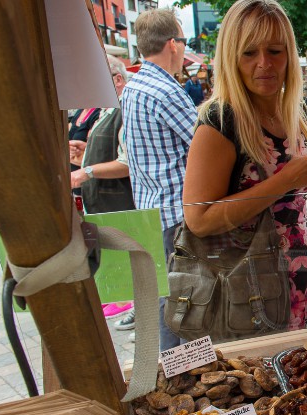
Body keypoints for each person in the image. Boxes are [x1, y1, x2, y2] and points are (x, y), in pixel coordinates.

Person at [182, 0, 307, 331]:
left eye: (275, 50)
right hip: (248, 287)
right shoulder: (220, 120)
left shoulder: (297, 113)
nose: (264, 63)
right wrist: (286, 180)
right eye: (249, 53)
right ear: (231, 57)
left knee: (303, 375)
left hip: (299, 274)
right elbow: (198, 219)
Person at [120, 8, 196, 349]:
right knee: (184, 301)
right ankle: (180, 370)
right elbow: (206, 145)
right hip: (176, 215)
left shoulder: (134, 86)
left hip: (151, 210)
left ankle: (171, 368)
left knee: (168, 296)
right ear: (173, 44)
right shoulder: (166, 92)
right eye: (182, 41)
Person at [70, 55, 135, 215]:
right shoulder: (108, 109)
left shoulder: (125, 108)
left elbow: (128, 162)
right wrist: (86, 150)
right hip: (103, 205)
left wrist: (86, 172)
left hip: (118, 207)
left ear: (118, 79)